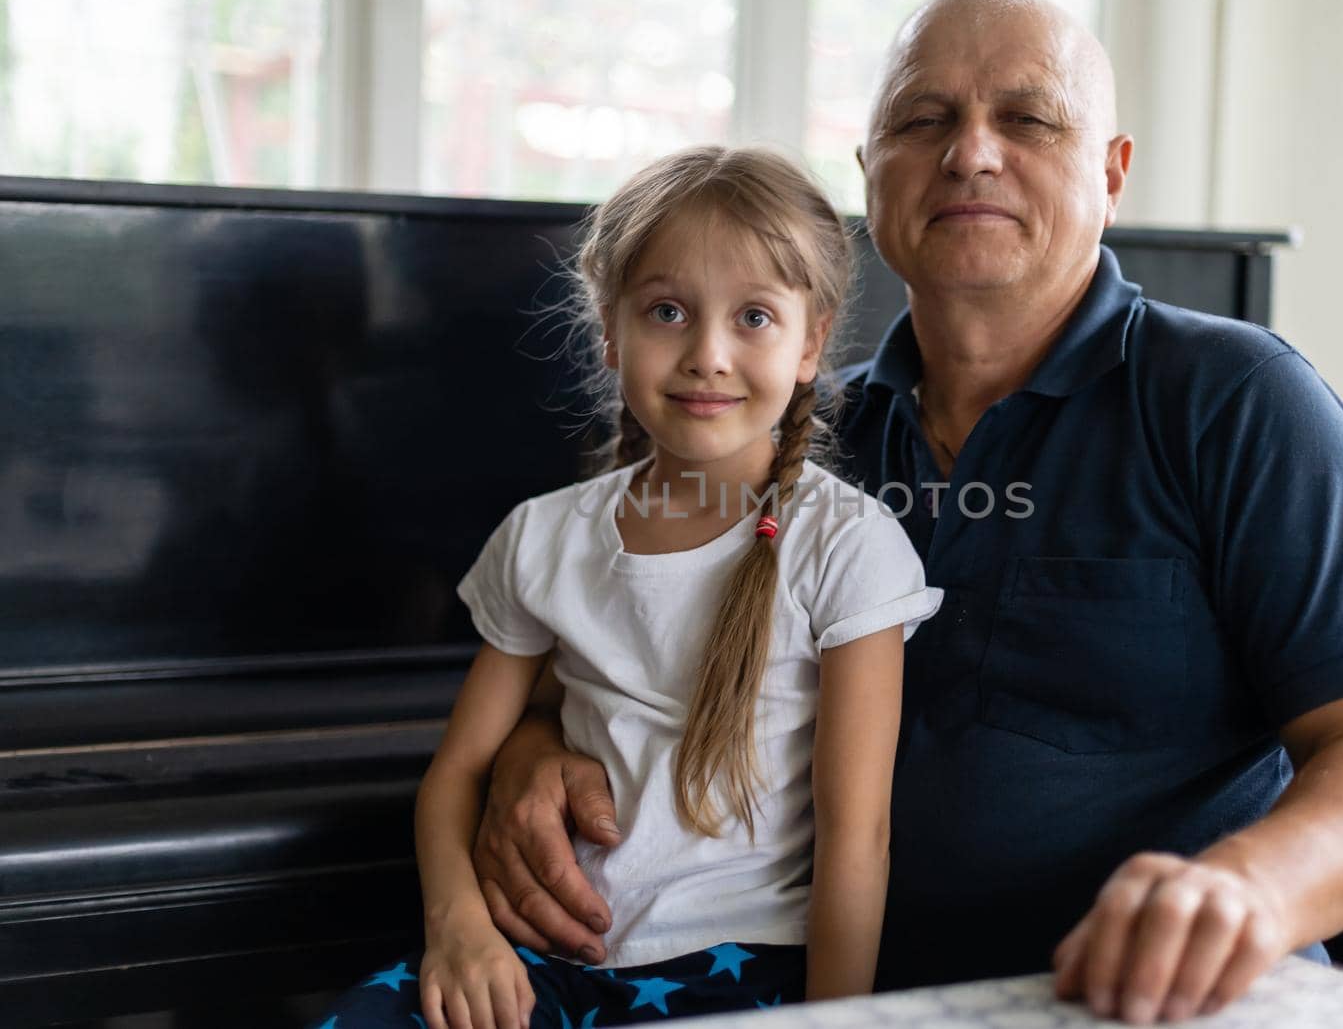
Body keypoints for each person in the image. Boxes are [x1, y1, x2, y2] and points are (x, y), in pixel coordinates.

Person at [471, 0, 1343, 1027]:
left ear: (1111, 173)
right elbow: (613, 644)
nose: (969, 152)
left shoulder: (1240, 400)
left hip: (1163, 1003)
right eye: (922, 119)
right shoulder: (786, 438)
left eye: (1025, 117)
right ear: (869, 178)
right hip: (855, 993)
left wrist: (1245, 885)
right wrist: (529, 751)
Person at [312, 146, 942, 1029]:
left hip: (745, 968)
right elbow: (457, 774)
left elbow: (855, 842)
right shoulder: (545, 535)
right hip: (549, 956)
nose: (707, 355)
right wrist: (460, 928)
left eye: (754, 315)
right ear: (610, 331)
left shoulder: (850, 545)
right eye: (668, 312)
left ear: (812, 343)